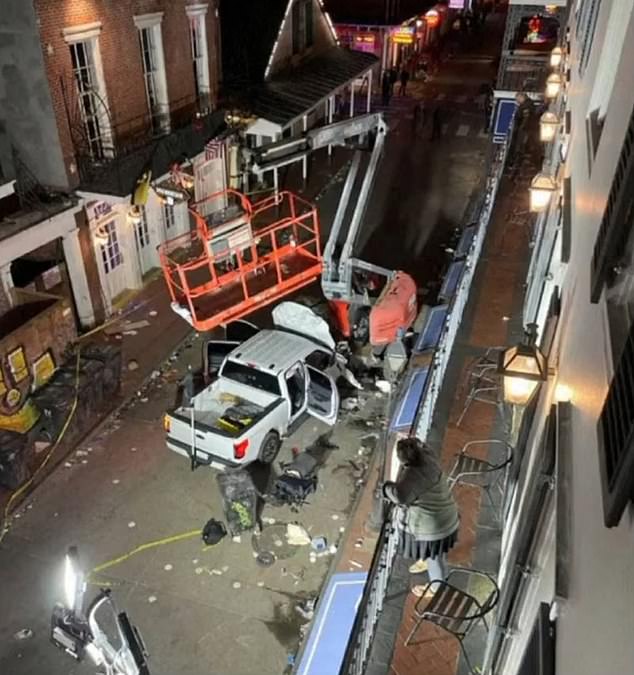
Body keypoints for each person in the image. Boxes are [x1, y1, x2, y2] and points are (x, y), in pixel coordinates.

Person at [383, 437, 459, 597]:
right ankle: (429, 562)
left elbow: (400, 496)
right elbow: (420, 444)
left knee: (434, 557)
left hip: (435, 528)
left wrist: (385, 488)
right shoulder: (429, 457)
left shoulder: (414, 475)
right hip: (447, 514)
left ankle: (436, 588)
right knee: (437, 552)